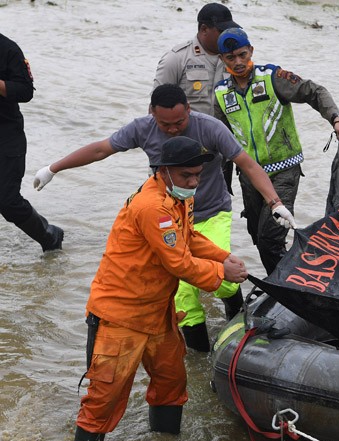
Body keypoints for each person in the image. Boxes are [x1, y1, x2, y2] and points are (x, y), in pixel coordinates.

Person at [32, 84, 294, 352]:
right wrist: (54, 168)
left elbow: (247, 164)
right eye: (165, 124)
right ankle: (200, 356)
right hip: (169, 214)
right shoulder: (142, 128)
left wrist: (275, 203)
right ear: (152, 114)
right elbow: (101, 149)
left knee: (224, 277)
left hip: (212, 210)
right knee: (183, 292)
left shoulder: (211, 128)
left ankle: (235, 317)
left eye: (179, 122)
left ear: (189, 110)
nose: (173, 129)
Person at [72, 136, 249, 441]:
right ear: (163, 171)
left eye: (198, 175)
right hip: (120, 316)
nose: (194, 182)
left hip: (158, 313)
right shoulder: (152, 207)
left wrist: (224, 257)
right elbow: (179, 264)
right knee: (103, 400)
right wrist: (221, 273)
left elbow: (189, 238)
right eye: (187, 176)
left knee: (171, 382)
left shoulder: (179, 198)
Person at [214, 28, 339, 274]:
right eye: (231, 58)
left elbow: (314, 91)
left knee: (271, 237)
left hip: (283, 170)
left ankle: (286, 286)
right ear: (222, 59)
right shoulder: (221, 94)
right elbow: (221, 141)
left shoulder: (273, 77)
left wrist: (336, 119)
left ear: (251, 51)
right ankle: (284, 278)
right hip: (249, 175)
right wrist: (223, 182)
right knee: (256, 233)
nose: (238, 62)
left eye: (242, 55)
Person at [0, 32, 63, 252]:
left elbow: (26, 91)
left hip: (6, 135)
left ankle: (50, 236)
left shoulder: (8, 49)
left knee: (8, 202)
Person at [154, 3, 239, 116]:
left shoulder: (236, 59)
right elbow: (156, 106)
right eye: (222, 31)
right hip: (187, 131)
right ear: (204, 29)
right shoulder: (176, 59)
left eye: (230, 30)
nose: (227, 35)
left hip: (222, 131)